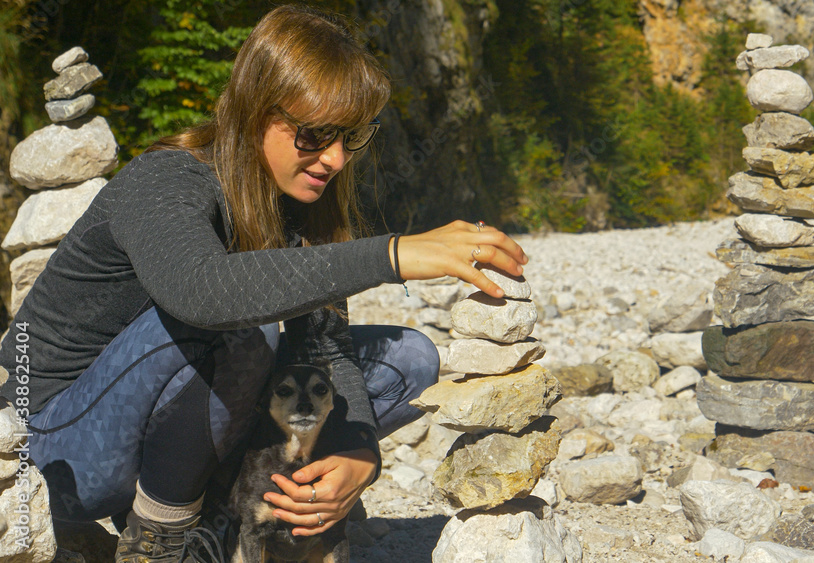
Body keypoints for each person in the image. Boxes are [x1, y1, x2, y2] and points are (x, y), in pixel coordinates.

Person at [0, 5, 527, 562]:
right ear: (254, 112)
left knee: (411, 358)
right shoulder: (166, 180)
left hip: (173, 428)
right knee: (241, 324)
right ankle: (162, 538)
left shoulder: (297, 208)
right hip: (46, 441)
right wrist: (392, 253)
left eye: (351, 137)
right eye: (315, 134)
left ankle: (235, 517)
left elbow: (325, 349)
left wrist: (358, 453)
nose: (335, 159)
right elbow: (202, 290)